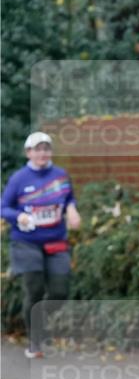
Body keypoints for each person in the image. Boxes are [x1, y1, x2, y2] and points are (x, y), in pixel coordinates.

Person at [1, 131, 81, 357]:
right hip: (26, 242)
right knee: (34, 288)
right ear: (28, 153)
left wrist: (72, 210)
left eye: (46, 149)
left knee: (60, 292)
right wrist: (19, 217)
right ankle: (34, 342)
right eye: (37, 149)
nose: (42, 153)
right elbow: (3, 207)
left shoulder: (60, 175)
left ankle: (41, 323)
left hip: (56, 241)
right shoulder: (19, 178)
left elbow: (69, 198)